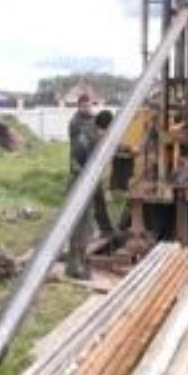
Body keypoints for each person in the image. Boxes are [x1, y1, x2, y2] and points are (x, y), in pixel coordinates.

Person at [66, 109, 114, 279]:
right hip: (81, 183)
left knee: (83, 225)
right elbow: (90, 163)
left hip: (79, 181)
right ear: (103, 127)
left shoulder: (87, 132)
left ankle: (77, 263)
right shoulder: (92, 138)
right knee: (81, 226)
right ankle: (74, 267)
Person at [68, 94, 114, 238]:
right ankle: (85, 232)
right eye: (84, 106)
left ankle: (106, 229)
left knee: (99, 198)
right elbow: (81, 146)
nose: (87, 108)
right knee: (82, 202)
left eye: (89, 106)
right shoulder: (75, 123)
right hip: (80, 167)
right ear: (79, 106)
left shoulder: (94, 119)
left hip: (92, 167)